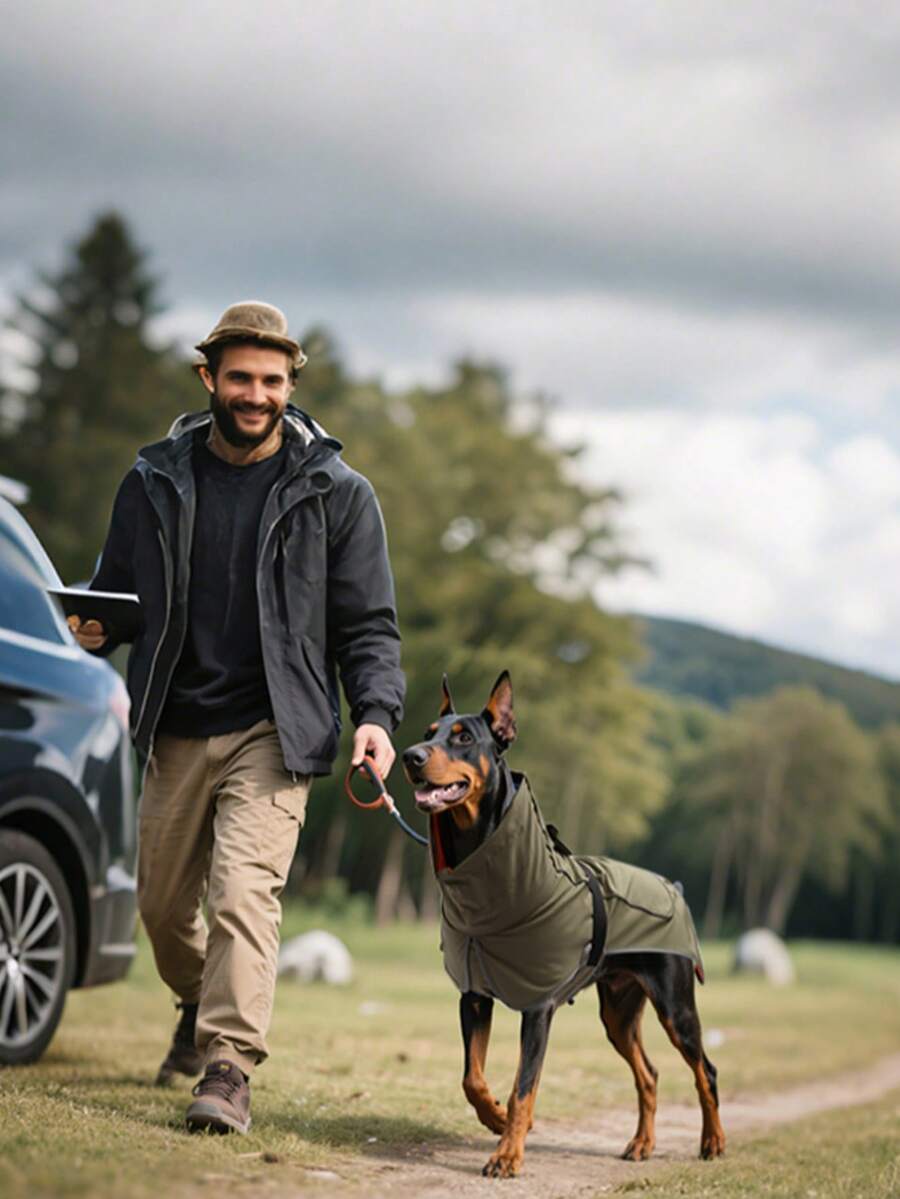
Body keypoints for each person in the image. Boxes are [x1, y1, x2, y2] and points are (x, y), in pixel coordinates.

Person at [69, 301, 404, 1134]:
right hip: (176, 722)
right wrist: (92, 629)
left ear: (292, 384)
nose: (256, 394)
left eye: (272, 380)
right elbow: (117, 596)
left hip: (276, 729)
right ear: (209, 377)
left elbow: (368, 625)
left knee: (242, 896)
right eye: (241, 378)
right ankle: (195, 1002)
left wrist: (376, 714)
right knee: (158, 907)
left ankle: (226, 1067)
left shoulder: (338, 493)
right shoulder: (152, 478)